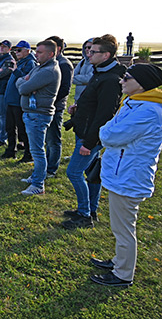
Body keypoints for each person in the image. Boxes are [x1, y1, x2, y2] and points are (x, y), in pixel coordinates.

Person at [90, 63, 162, 287]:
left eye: (127, 78)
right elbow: (111, 129)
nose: (121, 81)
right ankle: (119, 262)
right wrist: (106, 131)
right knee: (120, 226)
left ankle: (123, 274)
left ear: (142, 84)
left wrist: (104, 132)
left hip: (129, 176)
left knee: (123, 229)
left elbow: (111, 135)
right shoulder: (135, 103)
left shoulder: (149, 111)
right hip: (122, 172)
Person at [62, 34, 125, 229]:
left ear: (106, 55)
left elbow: (105, 115)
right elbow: (94, 102)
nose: (88, 54)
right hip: (87, 130)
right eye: (88, 50)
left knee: (73, 172)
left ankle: (84, 214)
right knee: (91, 172)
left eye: (93, 51)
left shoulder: (110, 79)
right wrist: (78, 107)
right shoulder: (101, 72)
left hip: (91, 136)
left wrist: (89, 144)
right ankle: (92, 208)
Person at [16, 40, 60, 195]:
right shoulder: (40, 68)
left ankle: (38, 184)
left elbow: (23, 88)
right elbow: (22, 82)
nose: (36, 54)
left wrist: (25, 84)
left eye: (40, 52)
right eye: (36, 51)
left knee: (37, 151)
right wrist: (24, 83)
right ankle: (36, 176)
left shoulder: (48, 71)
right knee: (37, 149)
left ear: (51, 54)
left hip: (38, 115)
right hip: (33, 114)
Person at [2, 41, 36, 161]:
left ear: (28, 50)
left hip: (19, 101)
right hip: (11, 100)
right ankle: (11, 150)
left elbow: (27, 80)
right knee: (10, 127)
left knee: (22, 129)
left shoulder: (30, 63)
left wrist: (15, 70)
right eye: (16, 50)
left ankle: (28, 153)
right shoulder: (21, 62)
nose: (17, 52)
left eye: (19, 50)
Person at [44, 36, 73, 177]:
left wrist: (50, 101)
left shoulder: (64, 64)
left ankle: (51, 169)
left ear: (58, 49)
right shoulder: (53, 63)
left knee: (54, 140)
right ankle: (47, 164)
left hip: (56, 107)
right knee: (48, 139)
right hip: (48, 107)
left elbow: (65, 89)